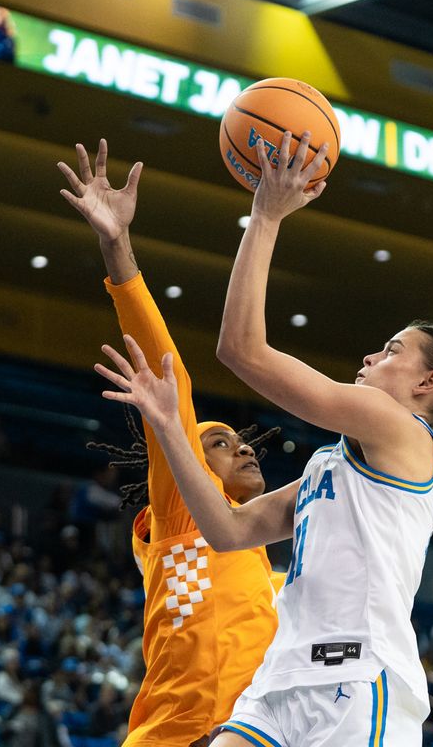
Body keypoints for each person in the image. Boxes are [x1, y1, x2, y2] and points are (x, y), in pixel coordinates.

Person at [95, 130, 433, 747]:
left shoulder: (404, 433)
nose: (373, 354)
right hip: (277, 685)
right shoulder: (330, 464)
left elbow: (242, 351)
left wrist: (266, 213)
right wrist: (167, 428)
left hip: (357, 682)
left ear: (429, 381)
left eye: (393, 349)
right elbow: (229, 531)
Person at [57, 139, 284, 746]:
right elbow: (171, 377)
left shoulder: (273, 579)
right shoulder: (185, 516)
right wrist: (116, 246)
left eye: (239, 442)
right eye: (219, 444)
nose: (244, 449)